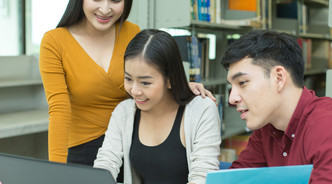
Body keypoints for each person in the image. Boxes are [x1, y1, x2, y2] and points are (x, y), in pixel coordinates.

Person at [182, 29, 332, 184]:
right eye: (231, 86)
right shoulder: (267, 127)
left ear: (278, 77)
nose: (232, 98)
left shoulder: (330, 128)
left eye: (242, 83)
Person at [39, 0, 215, 171]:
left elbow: (149, 80)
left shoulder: (132, 32)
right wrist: (56, 171)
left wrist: (177, 84)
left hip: (130, 141)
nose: (106, 9)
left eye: (116, 0)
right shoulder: (54, 41)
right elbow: (59, 110)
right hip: (82, 147)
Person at [93, 29, 221, 184]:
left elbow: (203, 181)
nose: (134, 90)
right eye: (128, 79)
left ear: (171, 79)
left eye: (145, 82)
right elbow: (105, 163)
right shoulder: (124, 112)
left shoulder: (201, 110)